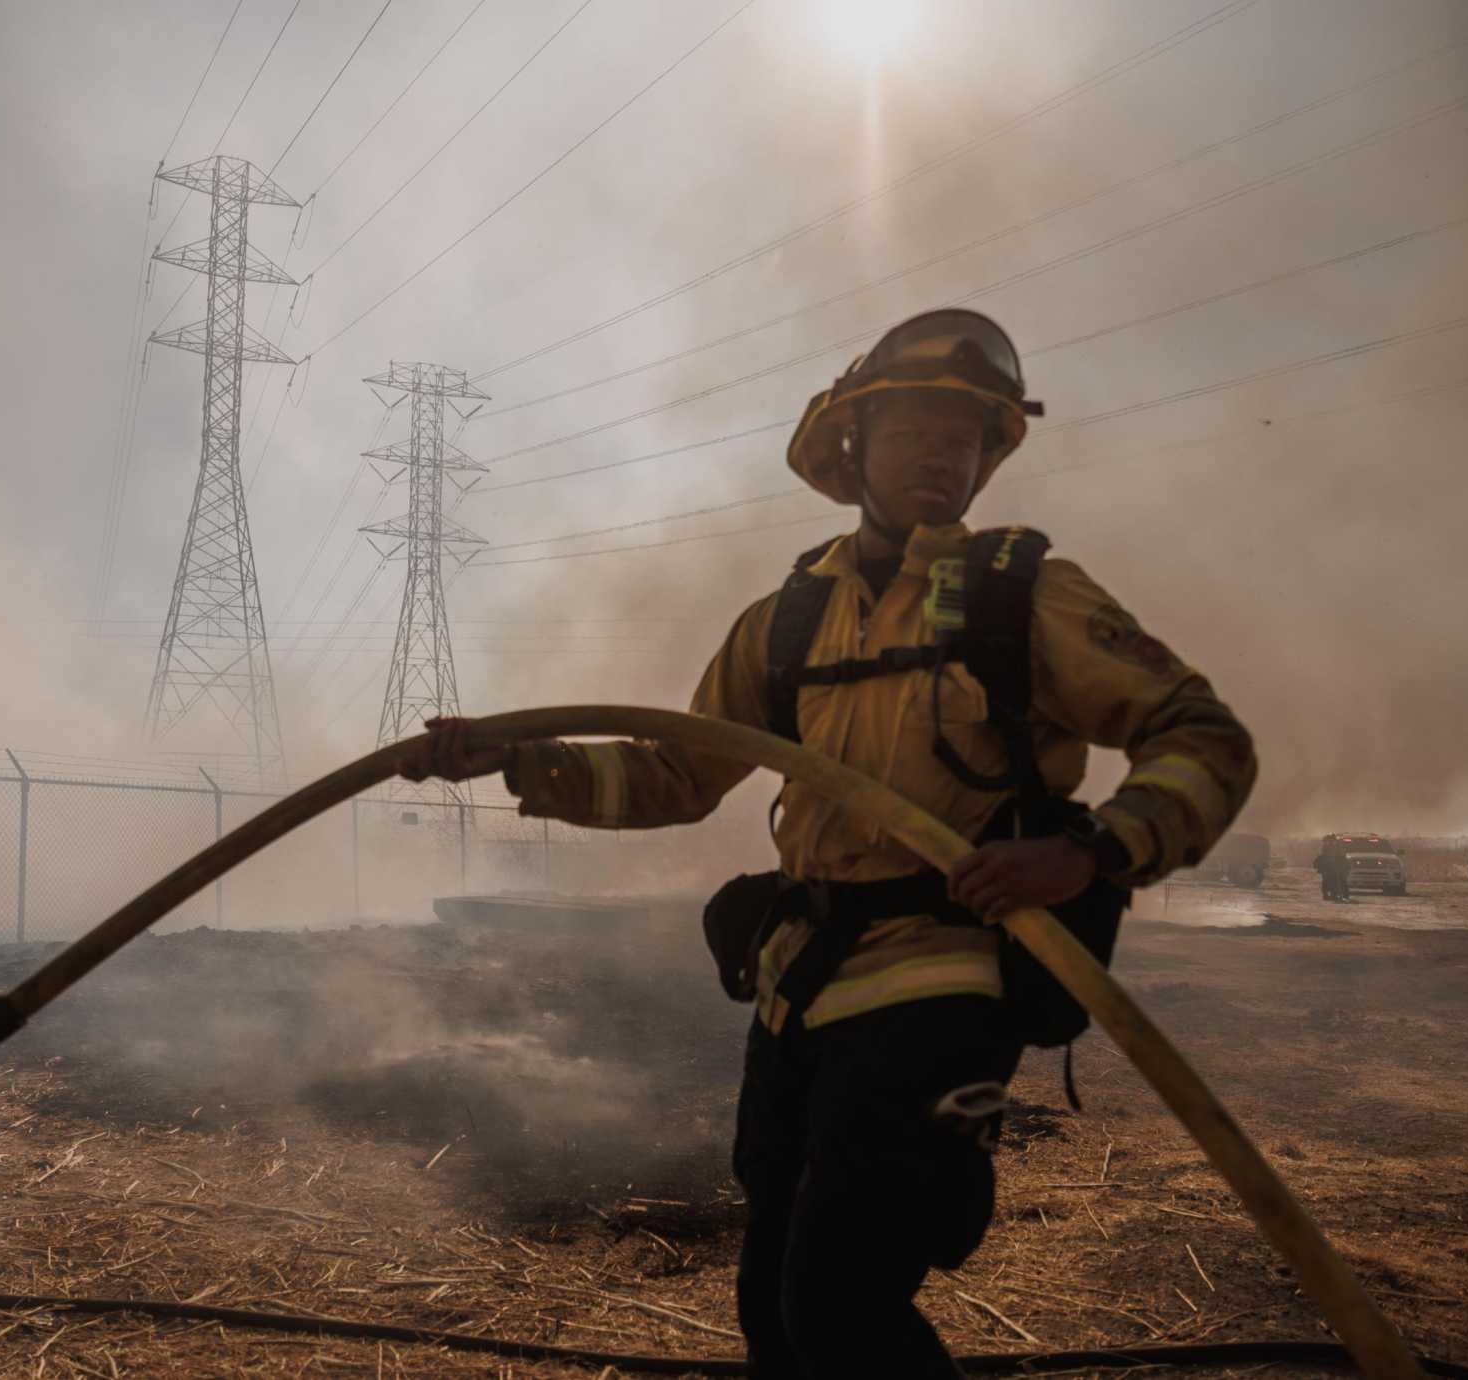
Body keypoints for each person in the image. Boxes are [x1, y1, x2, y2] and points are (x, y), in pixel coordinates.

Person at [395, 309, 1257, 1376]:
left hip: (946, 983)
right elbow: (675, 772)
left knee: (841, 1297)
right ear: (851, 449)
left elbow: (1201, 739)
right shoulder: (785, 620)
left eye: (966, 437)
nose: (944, 454)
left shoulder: (1018, 596)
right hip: (797, 984)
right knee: (773, 1295)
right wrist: (520, 760)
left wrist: (1095, 851)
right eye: (913, 431)